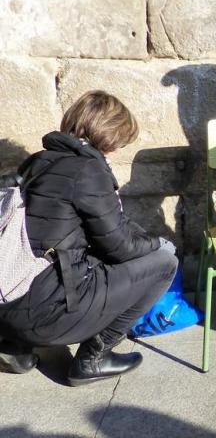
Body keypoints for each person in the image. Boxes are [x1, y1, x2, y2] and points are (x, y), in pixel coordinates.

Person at [0, 91, 178, 385]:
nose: (116, 150)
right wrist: (159, 243)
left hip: (8, 302)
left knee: (60, 256)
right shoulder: (88, 169)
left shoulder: (37, 162)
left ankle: (13, 346)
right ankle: (93, 358)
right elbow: (120, 247)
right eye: (119, 142)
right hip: (43, 314)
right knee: (164, 264)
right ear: (109, 134)